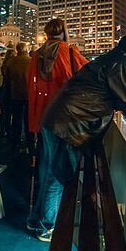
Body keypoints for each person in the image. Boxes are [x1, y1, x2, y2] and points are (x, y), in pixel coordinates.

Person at [33, 36, 126, 242]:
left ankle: (36, 219)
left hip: (56, 118)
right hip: (70, 124)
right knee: (59, 175)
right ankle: (47, 226)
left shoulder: (105, 59)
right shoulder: (121, 63)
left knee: (49, 172)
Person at [26, 18, 88, 236]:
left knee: (46, 168)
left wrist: (34, 121)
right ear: (64, 31)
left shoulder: (36, 55)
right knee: (58, 171)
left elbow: (31, 89)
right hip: (63, 119)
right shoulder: (70, 53)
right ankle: (46, 225)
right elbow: (89, 75)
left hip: (43, 119)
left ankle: (35, 218)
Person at [3, 42, 34, 154]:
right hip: (29, 94)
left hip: (15, 93)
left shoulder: (11, 62)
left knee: (16, 117)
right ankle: (29, 139)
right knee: (28, 118)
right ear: (26, 49)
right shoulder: (31, 61)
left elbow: (5, 77)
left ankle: (15, 139)